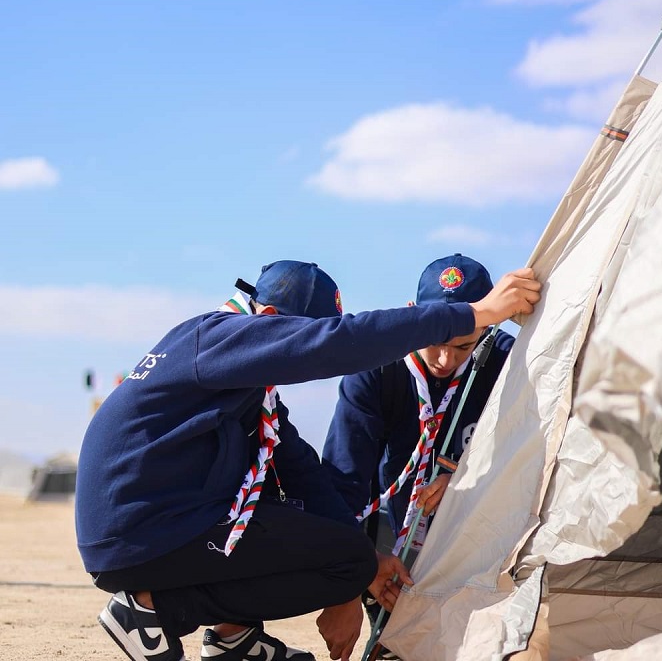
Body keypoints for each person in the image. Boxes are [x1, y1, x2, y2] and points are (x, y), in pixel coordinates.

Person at [75, 259, 541, 661]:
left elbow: (299, 466)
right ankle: (154, 608)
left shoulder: (240, 379)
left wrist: (368, 563)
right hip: (141, 532)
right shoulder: (220, 336)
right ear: (272, 320)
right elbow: (337, 343)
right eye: (301, 335)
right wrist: (475, 314)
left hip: (153, 525)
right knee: (339, 557)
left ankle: (234, 640)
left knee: (311, 523)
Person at [321, 254, 517, 654]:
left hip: (476, 547)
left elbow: (534, 453)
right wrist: (351, 579)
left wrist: (468, 478)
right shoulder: (374, 366)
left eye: (464, 345)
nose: (446, 360)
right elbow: (344, 477)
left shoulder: (510, 362)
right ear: (412, 317)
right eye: (435, 341)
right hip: (389, 549)